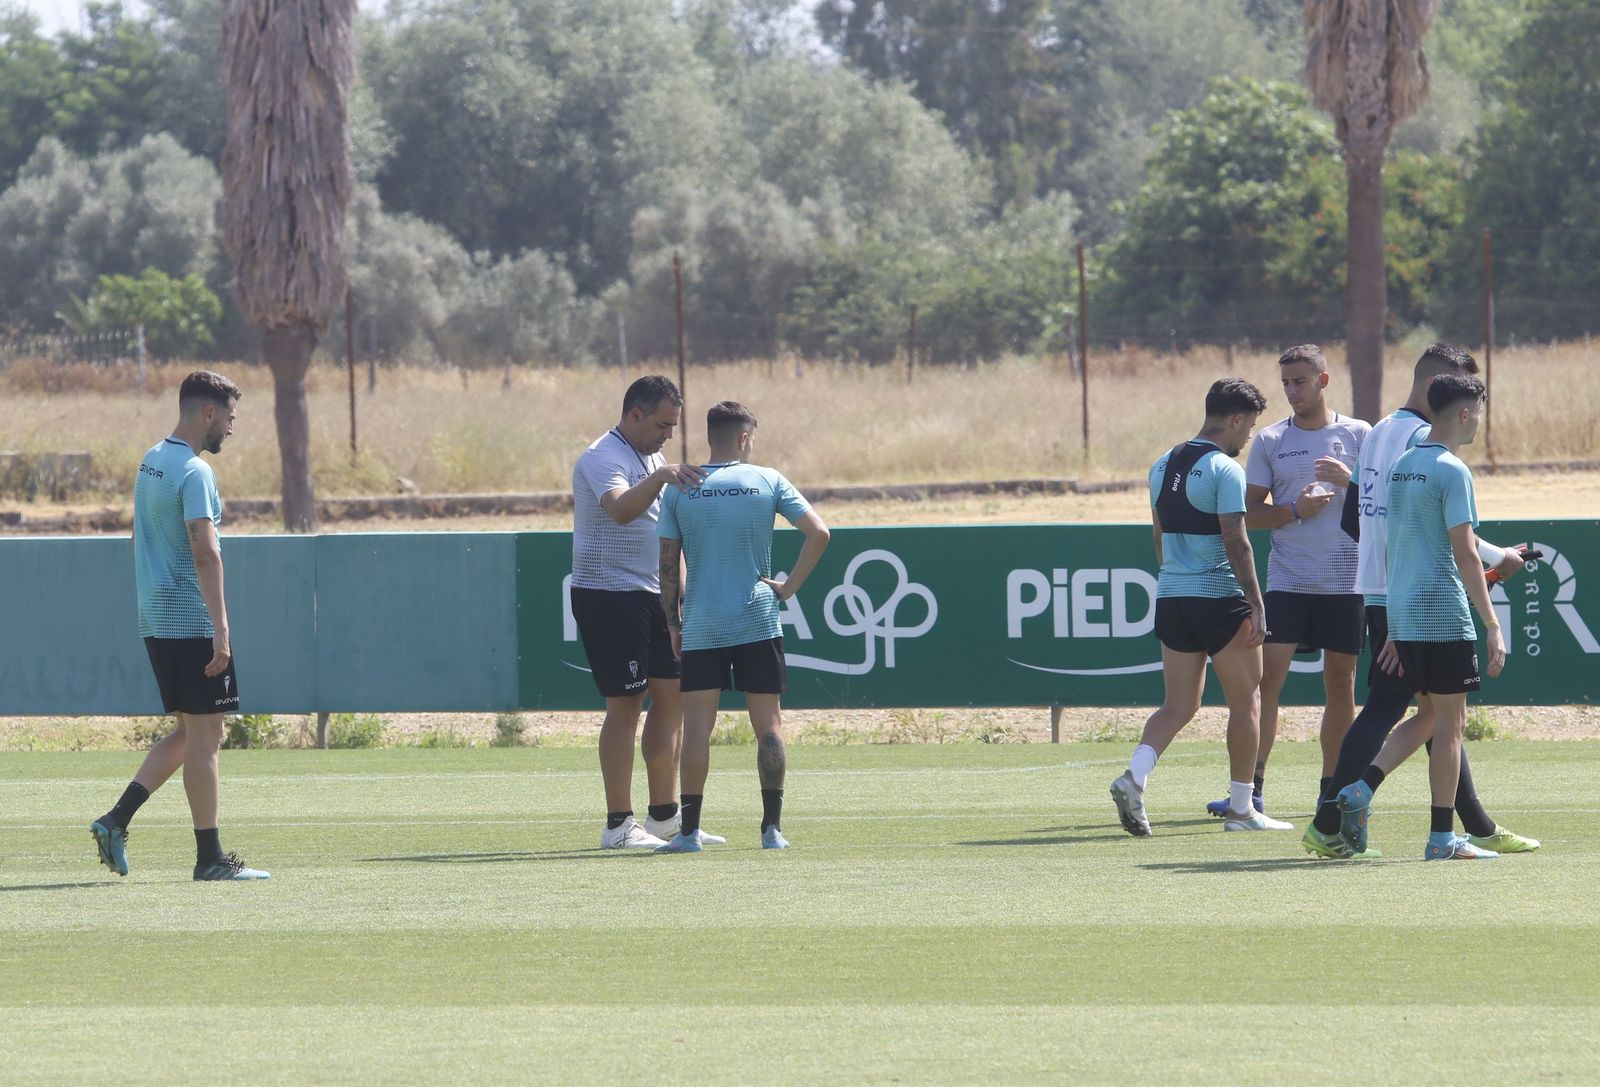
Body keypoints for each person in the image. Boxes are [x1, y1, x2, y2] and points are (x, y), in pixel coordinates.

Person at [1301, 345, 1538, 859]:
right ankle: (1333, 819)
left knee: (1432, 713)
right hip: (1416, 595)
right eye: (1466, 392)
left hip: (1387, 590)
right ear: (1448, 393)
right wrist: (1501, 561)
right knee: (1409, 709)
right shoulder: (1427, 445)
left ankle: (1471, 823)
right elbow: (1449, 534)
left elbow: (1359, 518)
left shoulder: (1382, 432)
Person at [89, 370, 269, 881]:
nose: (232, 428)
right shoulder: (195, 472)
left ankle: (115, 820)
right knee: (207, 740)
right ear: (208, 413)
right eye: (230, 417)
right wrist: (222, 628)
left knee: (190, 734)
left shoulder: (152, 460)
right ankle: (210, 860)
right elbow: (206, 551)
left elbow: (137, 539)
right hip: (189, 621)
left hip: (155, 618)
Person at [1334, 373, 1509, 860]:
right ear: (1465, 413)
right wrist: (1492, 626)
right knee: (1450, 726)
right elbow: (1466, 554)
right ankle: (1441, 839)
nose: (1479, 421)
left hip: (1403, 615)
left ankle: (1362, 788)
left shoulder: (1404, 466)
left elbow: (1392, 544)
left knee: (1429, 716)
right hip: (1442, 615)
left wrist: (1394, 623)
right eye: (1478, 411)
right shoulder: (1453, 470)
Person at [1110, 378, 1293, 836]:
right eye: (1248, 426)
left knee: (1178, 704)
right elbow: (1237, 541)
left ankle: (1134, 777)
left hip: (1171, 597)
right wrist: (1256, 603)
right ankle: (1241, 810)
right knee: (1246, 701)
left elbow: (1158, 536)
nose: (1248, 435)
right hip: (1220, 600)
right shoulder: (1224, 470)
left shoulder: (1159, 465)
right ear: (1234, 420)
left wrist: (1176, 580)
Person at [654, 401, 830, 853]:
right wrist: (788, 585)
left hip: (702, 622)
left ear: (711, 436)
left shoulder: (681, 486)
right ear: (745, 437)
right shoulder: (767, 479)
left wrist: (673, 622)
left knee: (695, 729)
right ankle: (772, 830)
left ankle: (689, 833)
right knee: (768, 726)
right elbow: (820, 533)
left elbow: (668, 566)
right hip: (757, 617)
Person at [1204, 346, 1369, 818]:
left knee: (1341, 685)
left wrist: (1350, 479)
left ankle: (1330, 791)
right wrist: (1295, 509)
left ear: (1323, 380)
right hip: (1289, 580)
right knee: (1267, 682)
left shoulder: (1359, 433)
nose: (1293, 391)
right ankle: (1250, 790)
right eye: (1286, 384)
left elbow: (1383, 503)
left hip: (1347, 581)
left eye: (1300, 381)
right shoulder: (1272, 440)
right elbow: (1247, 515)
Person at [571, 375, 724, 850]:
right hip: (609, 594)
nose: (668, 436)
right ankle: (618, 825)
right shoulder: (603, 456)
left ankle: (664, 818)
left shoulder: (651, 454)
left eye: (673, 426)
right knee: (626, 706)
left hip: (655, 594)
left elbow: (663, 528)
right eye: (662, 424)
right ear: (634, 414)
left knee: (673, 698)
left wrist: (677, 592)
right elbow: (620, 510)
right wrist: (660, 476)